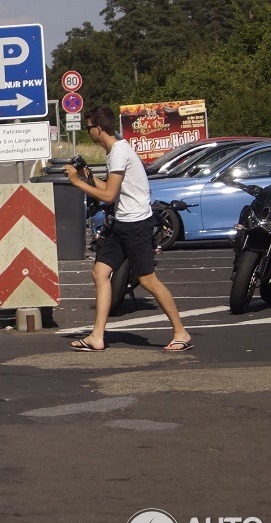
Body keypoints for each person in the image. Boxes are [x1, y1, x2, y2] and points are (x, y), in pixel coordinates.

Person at [63, 105, 192, 352]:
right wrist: (87, 176)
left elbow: (109, 195)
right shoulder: (114, 152)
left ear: (99, 128)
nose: (88, 132)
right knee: (100, 273)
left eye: (89, 127)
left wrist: (78, 183)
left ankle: (181, 332)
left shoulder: (120, 152)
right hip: (121, 223)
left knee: (147, 279)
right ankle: (97, 336)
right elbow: (112, 187)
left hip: (136, 225)